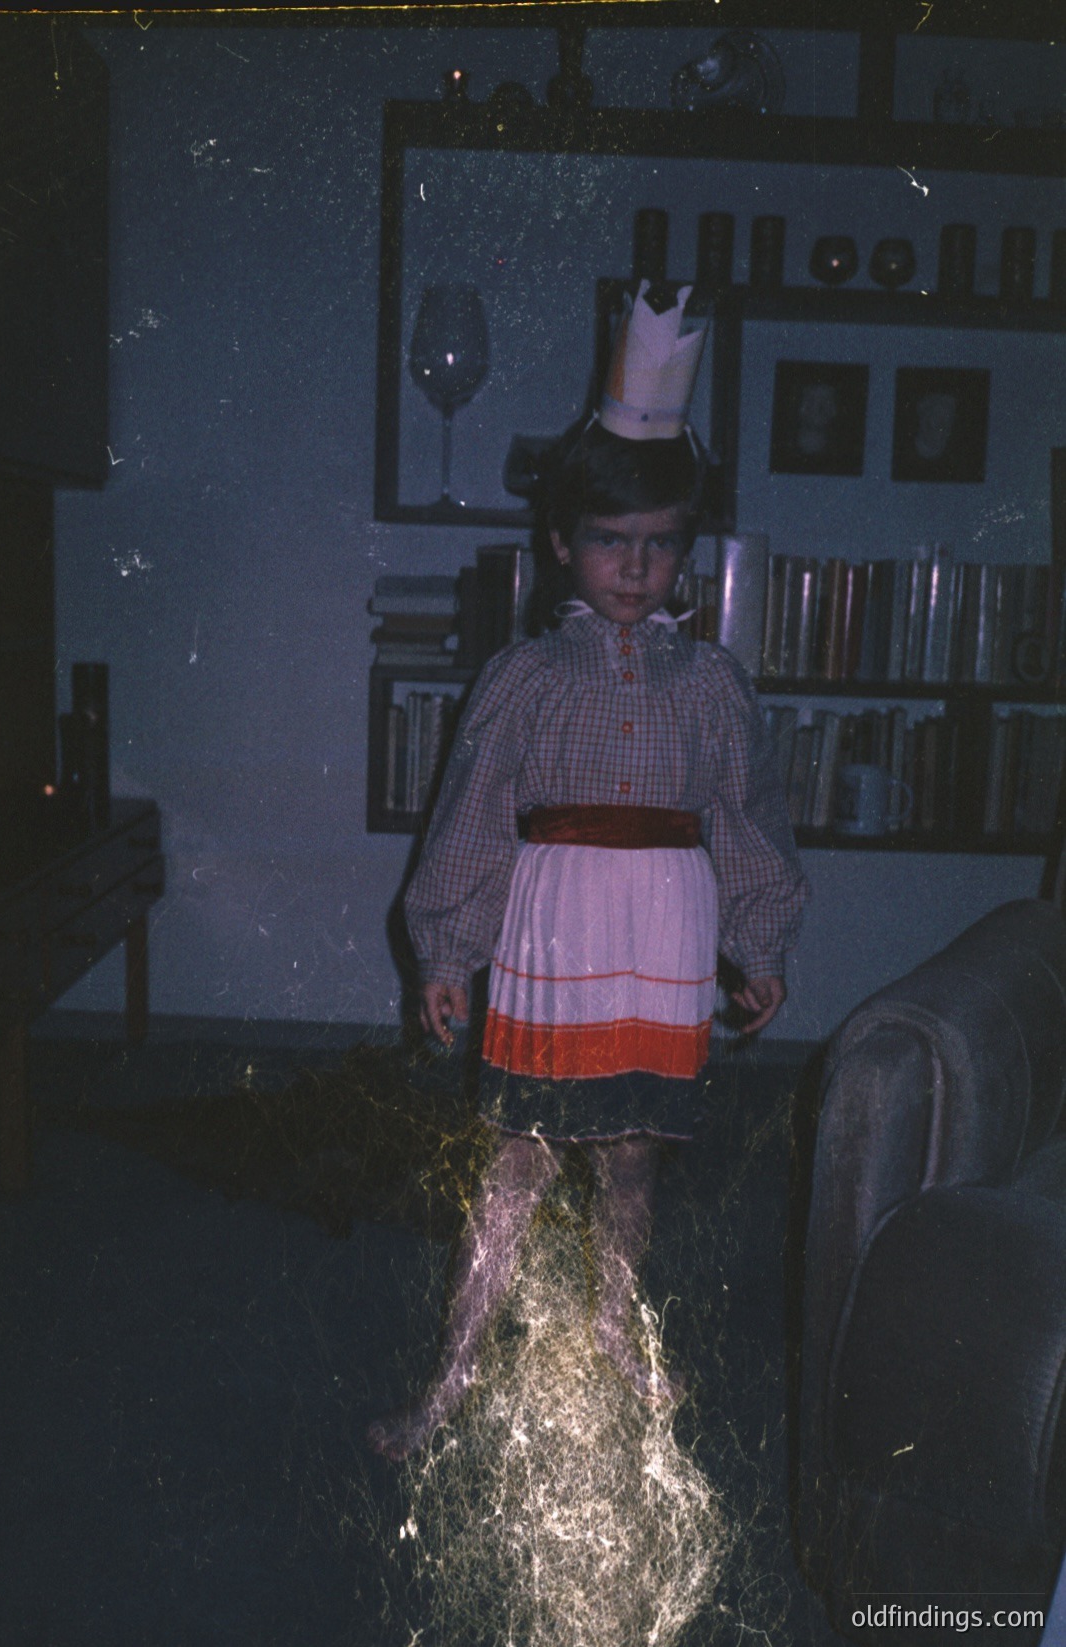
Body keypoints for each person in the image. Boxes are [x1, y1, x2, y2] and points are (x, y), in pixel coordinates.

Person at [367, 281, 809, 1463]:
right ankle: (450, 1383)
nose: (635, 565)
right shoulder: (521, 679)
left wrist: (758, 946)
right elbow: (467, 818)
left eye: (660, 544)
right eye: (611, 540)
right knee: (514, 1158)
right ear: (562, 542)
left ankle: (620, 1356)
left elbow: (750, 822)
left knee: (629, 1162)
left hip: (662, 938)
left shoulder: (710, 688)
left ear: (685, 550)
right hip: (553, 929)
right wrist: (448, 949)